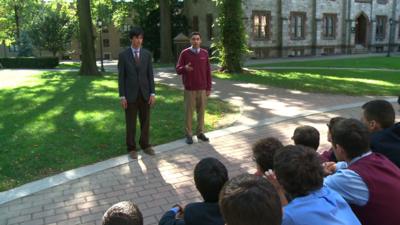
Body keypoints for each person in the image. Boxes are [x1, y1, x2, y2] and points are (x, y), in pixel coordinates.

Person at [324, 118, 400, 225]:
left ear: (339, 149)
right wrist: (337, 166)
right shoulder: (379, 158)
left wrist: (320, 172)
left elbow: (311, 187)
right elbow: (354, 165)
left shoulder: (348, 178)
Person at [273, 145, 361, 225]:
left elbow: (288, 216)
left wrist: (278, 190)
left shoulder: (291, 215)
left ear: (282, 182)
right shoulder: (331, 194)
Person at [118, 27, 156, 159]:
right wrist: (122, 96)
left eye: (141, 38)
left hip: (145, 94)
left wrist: (152, 93)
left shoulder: (147, 54)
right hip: (130, 95)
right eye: (136, 38)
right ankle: (131, 147)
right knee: (131, 122)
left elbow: (150, 75)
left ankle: (145, 145)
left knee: (145, 121)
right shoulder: (123, 56)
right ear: (131, 39)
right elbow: (121, 78)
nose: (139, 40)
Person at [159, 157, 228, 225]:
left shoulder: (193, 211)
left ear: (197, 186)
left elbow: (164, 222)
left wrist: (175, 209)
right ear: (226, 182)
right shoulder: (236, 207)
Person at [176, 32, 212, 145]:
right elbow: (177, 69)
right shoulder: (185, 53)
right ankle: (189, 134)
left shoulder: (205, 53)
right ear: (190, 41)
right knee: (189, 113)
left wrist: (208, 87)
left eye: (197, 39)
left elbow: (208, 72)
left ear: (200, 41)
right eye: (193, 39)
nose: (196, 41)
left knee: (201, 112)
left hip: (202, 88)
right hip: (190, 89)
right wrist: (184, 68)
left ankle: (200, 133)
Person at [361, 99, 400, 167]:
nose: (360, 123)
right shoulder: (396, 132)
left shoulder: (371, 145)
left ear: (372, 124)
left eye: (362, 120)